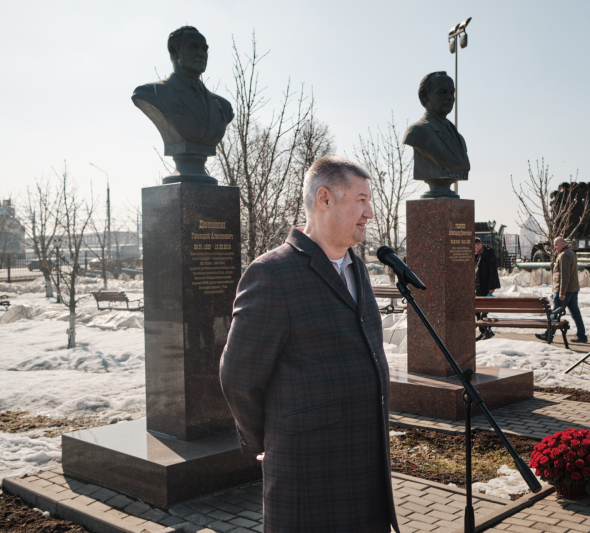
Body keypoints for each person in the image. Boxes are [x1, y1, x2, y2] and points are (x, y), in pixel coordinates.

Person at [219, 156, 398, 533]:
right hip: (309, 472)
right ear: (324, 199)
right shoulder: (272, 273)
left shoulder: (358, 268)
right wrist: (263, 440)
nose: (370, 212)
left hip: (366, 465)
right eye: (362, 199)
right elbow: (238, 375)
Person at [132, 26, 234, 148]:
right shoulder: (151, 93)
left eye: (204, 49)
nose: (201, 54)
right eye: (193, 47)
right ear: (174, 51)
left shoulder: (223, 106)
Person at [403, 72, 470, 186]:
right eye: (442, 92)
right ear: (425, 96)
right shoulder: (417, 132)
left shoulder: (459, 139)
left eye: (452, 93)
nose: (449, 97)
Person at [536, 237, 587, 344]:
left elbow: (565, 275)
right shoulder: (571, 252)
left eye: (556, 245)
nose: (554, 248)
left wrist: (562, 292)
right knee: (575, 313)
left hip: (564, 290)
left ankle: (548, 335)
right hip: (573, 288)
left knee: (554, 313)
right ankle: (582, 335)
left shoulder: (563, 255)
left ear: (563, 244)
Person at [475, 237, 501, 341]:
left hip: (486, 286)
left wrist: (491, 287)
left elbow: (493, 271)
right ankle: (485, 332)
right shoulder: (476, 255)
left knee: (483, 312)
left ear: (480, 245)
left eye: (475, 248)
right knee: (477, 311)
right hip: (477, 286)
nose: (474, 250)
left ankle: (486, 332)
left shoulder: (489, 253)